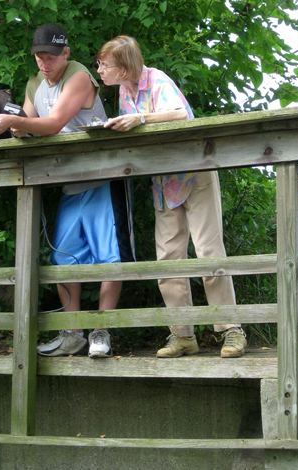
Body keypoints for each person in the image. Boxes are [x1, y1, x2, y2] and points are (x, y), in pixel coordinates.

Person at [0, 23, 135, 359]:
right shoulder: (35, 83)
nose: (44, 62)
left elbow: (51, 124)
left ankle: (101, 331)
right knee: (63, 257)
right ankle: (73, 334)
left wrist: (17, 123)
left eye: (50, 56)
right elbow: (27, 125)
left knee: (109, 258)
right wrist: (9, 120)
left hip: (104, 177)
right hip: (70, 183)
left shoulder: (80, 75)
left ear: (65, 53)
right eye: (39, 56)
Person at [96, 35, 247, 358]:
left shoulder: (158, 79)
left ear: (123, 67)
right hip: (163, 181)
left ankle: (231, 330)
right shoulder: (124, 91)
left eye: (104, 65)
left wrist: (141, 119)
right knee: (167, 260)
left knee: (209, 253)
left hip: (194, 173)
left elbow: (181, 115)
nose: (99, 71)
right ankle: (182, 336)